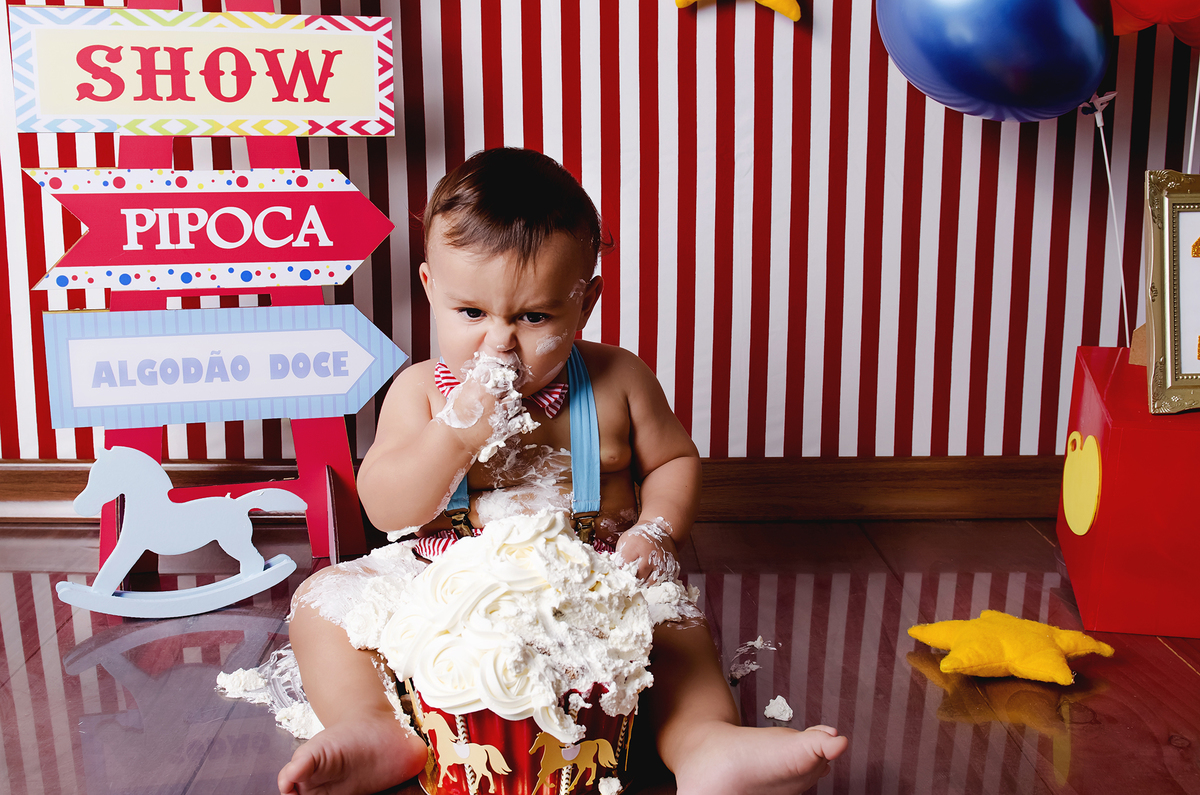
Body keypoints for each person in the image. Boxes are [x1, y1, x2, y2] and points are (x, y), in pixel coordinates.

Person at [278, 148, 848, 795]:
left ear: (585, 301)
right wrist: (454, 435)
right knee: (322, 602)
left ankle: (703, 741)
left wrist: (658, 531)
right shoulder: (421, 392)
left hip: (593, 579)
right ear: (432, 287)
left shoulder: (617, 380)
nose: (499, 341)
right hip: (445, 578)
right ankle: (376, 726)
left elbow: (673, 461)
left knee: (675, 627)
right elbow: (386, 508)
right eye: (471, 313)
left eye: (534, 316)